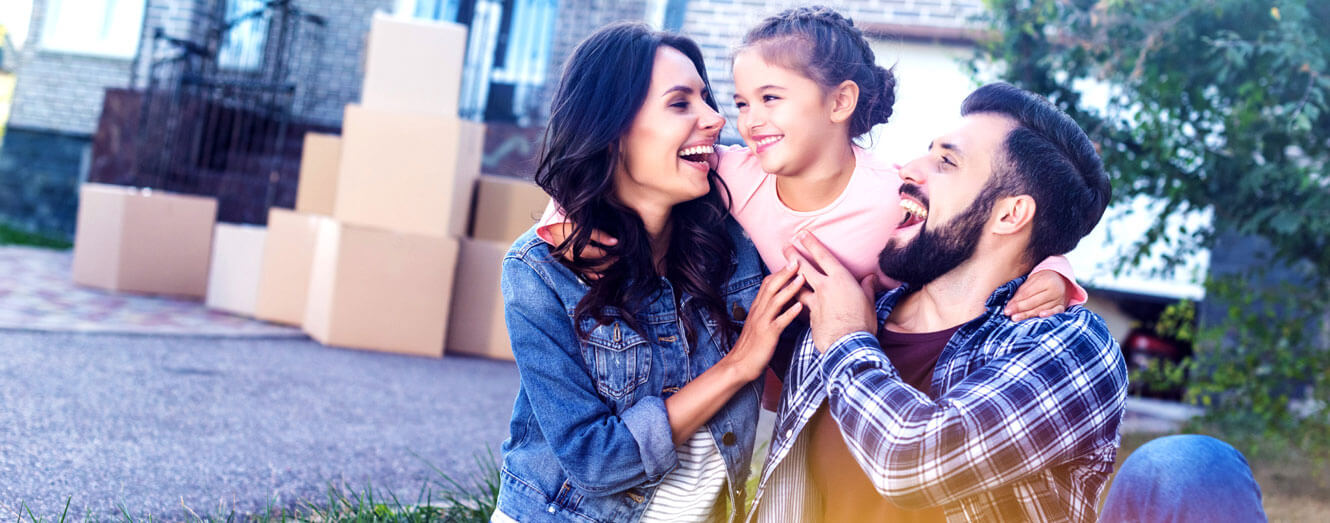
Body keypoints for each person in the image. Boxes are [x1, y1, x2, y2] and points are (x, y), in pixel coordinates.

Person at [762, 82, 1269, 523]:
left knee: (1192, 464)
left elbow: (911, 463)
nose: (909, 167)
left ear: (1009, 215)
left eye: (946, 161)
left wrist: (847, 341)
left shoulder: (1067, 342)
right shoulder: (845, 301)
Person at [539, 6, 1087, 411]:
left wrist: (1055, 272)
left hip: (827, 390)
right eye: (742, 103)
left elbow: (969, 239)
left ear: (839, 102)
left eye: (771, 98)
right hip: (732, 386)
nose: (750, 120)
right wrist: (561, 215)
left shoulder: (889, 194)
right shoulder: (731, 173)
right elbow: (624, 169)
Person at [493, 23, 805, 522]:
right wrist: (737, 365)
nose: (715, 118)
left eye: (706, 99)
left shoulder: (737, 242)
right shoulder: (540, 272)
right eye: (680, 103)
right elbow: (595, 460)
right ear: (612, 131)